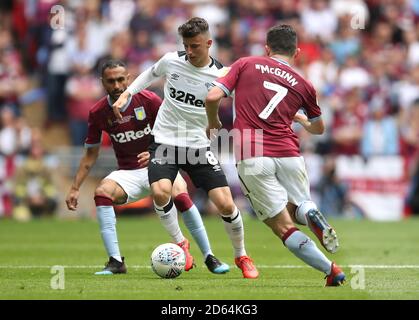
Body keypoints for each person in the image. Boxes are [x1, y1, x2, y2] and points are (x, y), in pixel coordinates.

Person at [112, 18, 258, 279]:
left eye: (195, 46)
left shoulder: (222, 76)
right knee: (160, 192)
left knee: (225, 204)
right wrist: (127, 94)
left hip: (198, 145)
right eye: (186, 46)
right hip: (165, 139)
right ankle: (181, 244)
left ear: (209, 44)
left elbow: (248, 102)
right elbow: (150, 74)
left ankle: (242, 255)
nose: (189, 52)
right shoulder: (172, 60)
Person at [205, 24, 346, 286]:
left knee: (281, 225)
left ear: (267, 48)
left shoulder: (246, 63)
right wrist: (301, 120)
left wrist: (213, 123)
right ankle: (312, 215)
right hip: (289, 152)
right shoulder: (304, 84)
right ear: (297, 51)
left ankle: (331, 270)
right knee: (298, 207)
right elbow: (319, 128)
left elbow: (212, 97)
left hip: (252, 151)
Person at [66, 60, 229, 275]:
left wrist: (155, 152)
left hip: (161, 163)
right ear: (102, 82)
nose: (117, 85)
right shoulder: (98, 112)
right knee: (102, 192)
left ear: (129, 79)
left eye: (121, 79)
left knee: (179, 191)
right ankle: (116, 261)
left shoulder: (148, 100)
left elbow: (172, 128)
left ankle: (209, 256)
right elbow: (90, 155)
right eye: (111, 81)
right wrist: (76, 187)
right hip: (129, 172)